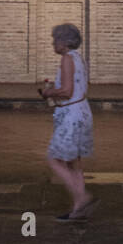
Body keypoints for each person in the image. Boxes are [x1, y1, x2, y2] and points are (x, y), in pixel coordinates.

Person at [41, 23, 97, 222]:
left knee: (54, 159)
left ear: (64, 42)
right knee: (73, 162)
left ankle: (82, 198)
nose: (53, 43)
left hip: (71, 116)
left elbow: (66, 90)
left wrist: (48, 92)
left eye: (55, 39)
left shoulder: (66, 59)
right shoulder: (79, 58)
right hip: (82, 111)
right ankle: (78, 210)